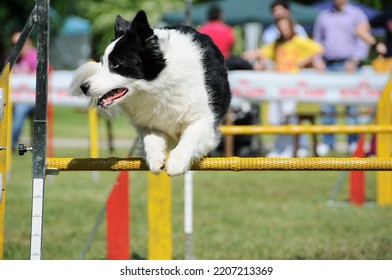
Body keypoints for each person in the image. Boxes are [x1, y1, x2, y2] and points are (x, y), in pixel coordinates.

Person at [243, 16, 324, 157]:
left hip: (291, 84)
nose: (284, 30)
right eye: (281, 27)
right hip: (277, 83)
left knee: (288, 115)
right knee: (275, 117)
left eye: (286, 27)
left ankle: (290, 148)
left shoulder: (298, 41)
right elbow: (263, 52)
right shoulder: (277, 44)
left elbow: (318, 49)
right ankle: (279, 147)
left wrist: (302, 62)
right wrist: (249, 54)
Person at [312, 0, 371, 155]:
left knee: (352, 106)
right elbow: (317, 41)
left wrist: (355, 60)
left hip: (350, 66)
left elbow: (363, 40)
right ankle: (327, 143)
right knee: (327, 106)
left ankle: (353, 143)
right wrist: (317, 60)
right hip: (329, 66)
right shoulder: (323, 15)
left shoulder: (357, 14)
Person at [10, 32, 37, 151]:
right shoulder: (12, 57)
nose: (16, 47)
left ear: (27, 42)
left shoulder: (35, 56)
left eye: (18, 43)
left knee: (19, 111)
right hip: (12, 96)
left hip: (30, 98)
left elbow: (39, 80)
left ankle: (12, 145)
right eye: (14, 44)